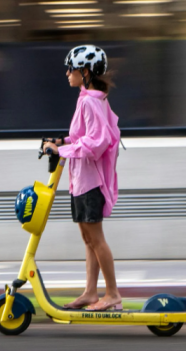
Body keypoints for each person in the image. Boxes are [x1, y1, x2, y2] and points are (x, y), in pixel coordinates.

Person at [42, 44, 122, 311]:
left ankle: (112, 295)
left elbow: (97, 141)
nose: (67, 73)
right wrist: (60, 141)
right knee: (88, 240)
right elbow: (80, 137)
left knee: (96, 239)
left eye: (71, 68)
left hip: (90, 183)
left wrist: (61, 149)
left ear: (85, 71)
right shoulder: (87, 98)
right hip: (80, 181)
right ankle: (90, 292)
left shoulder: (90, 101)